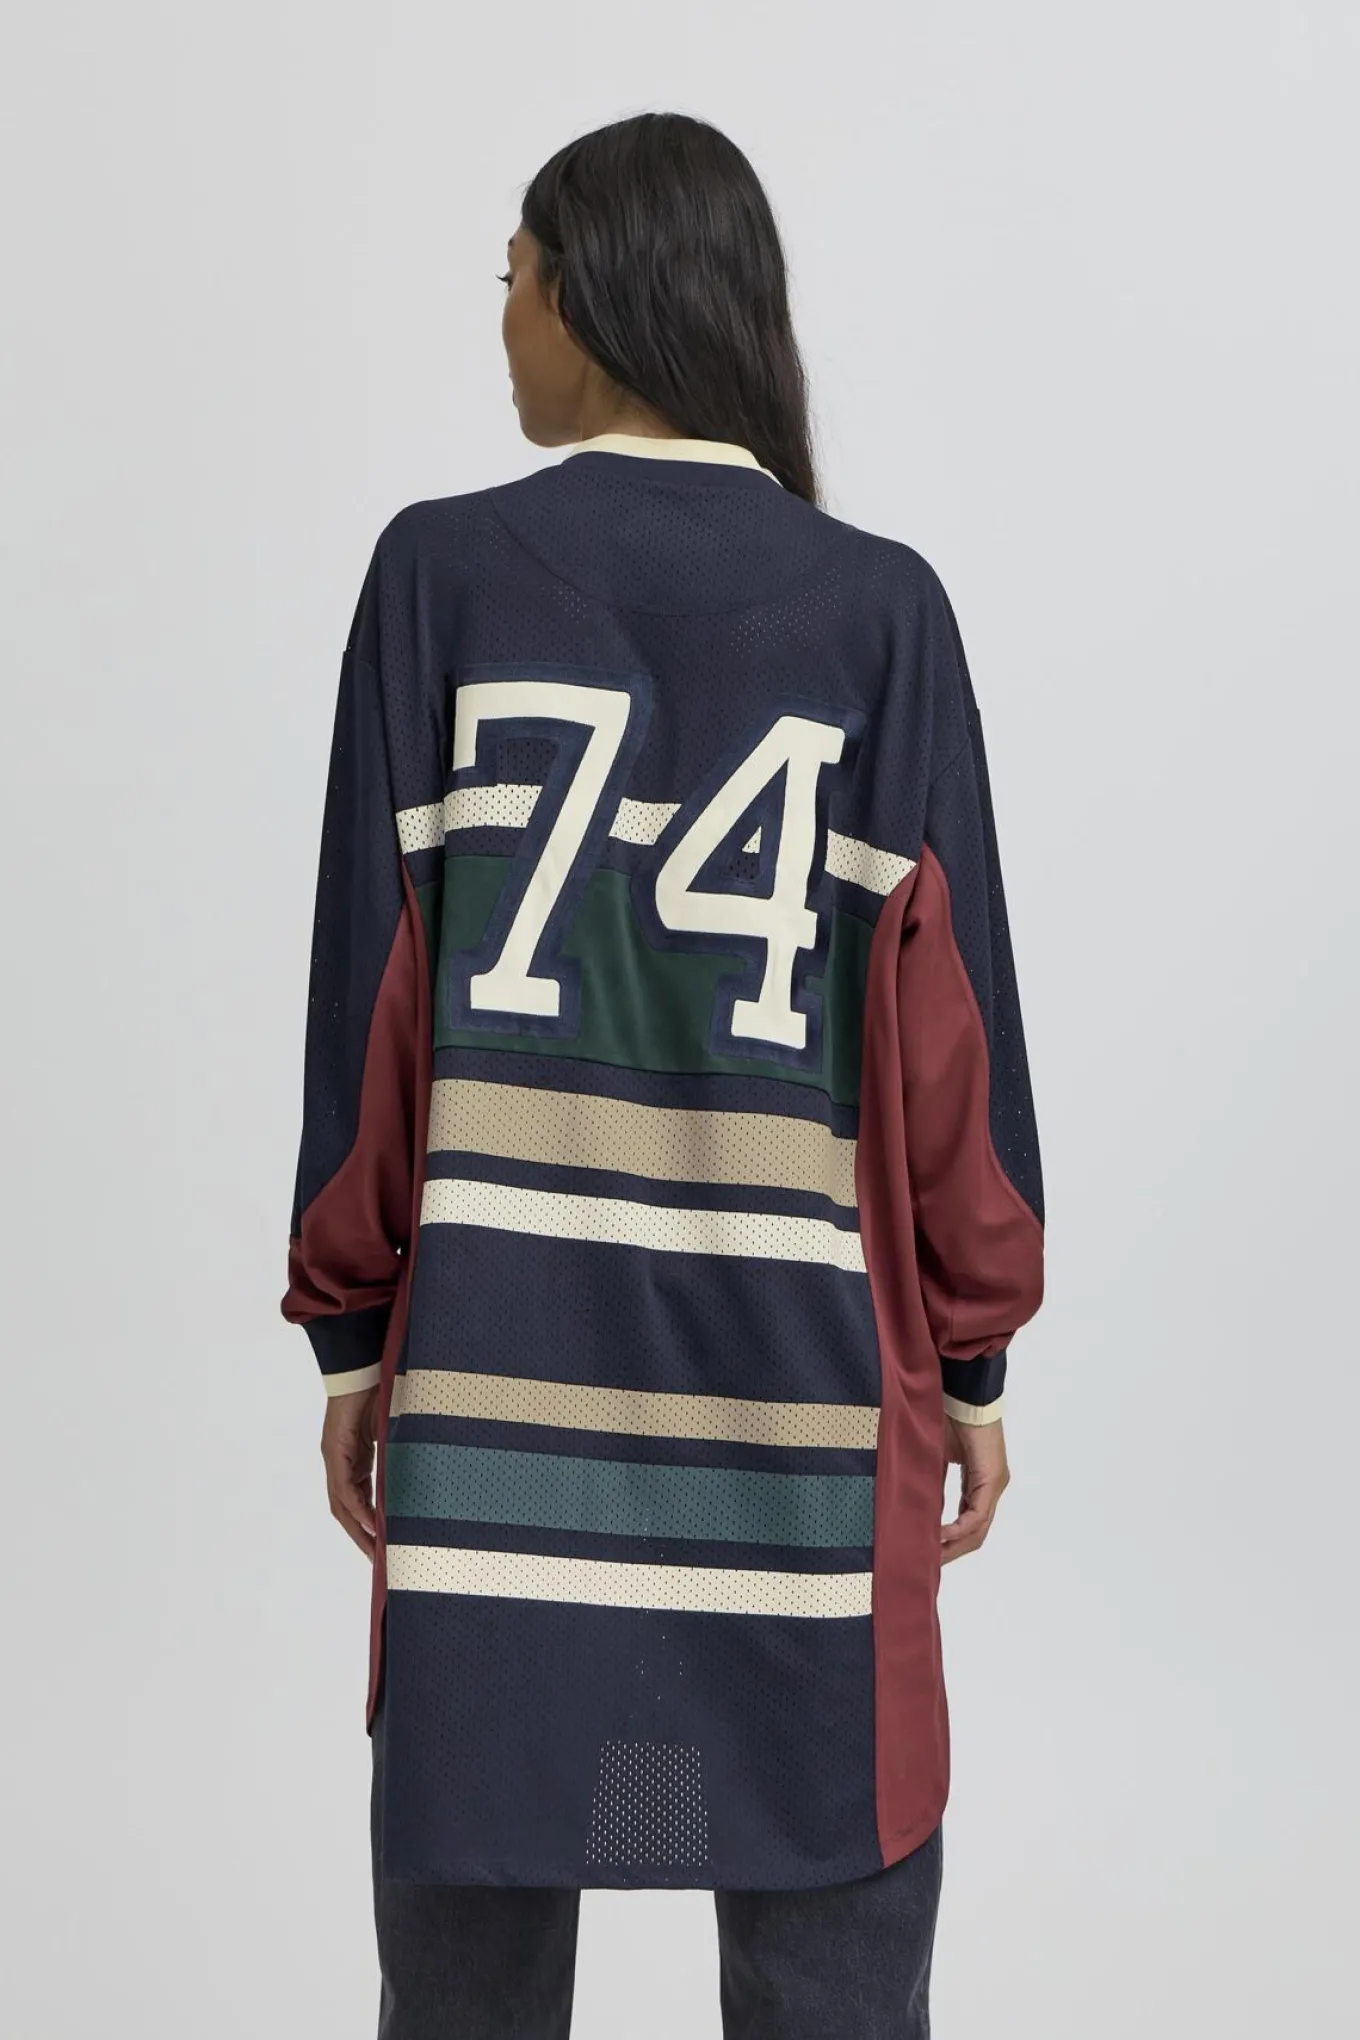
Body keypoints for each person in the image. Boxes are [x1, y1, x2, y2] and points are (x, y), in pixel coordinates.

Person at [281, 110, 1044, 2040]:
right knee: (830, 1975)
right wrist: (969, 1359)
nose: (503, 321)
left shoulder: (441, 580)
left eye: (512, 279)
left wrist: (355, 1339)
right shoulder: (882, 612)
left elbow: (368, 1000)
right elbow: (956, 1044)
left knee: (465, 1990)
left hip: (493, 1416)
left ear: (589, 295)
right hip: (802, 1434)